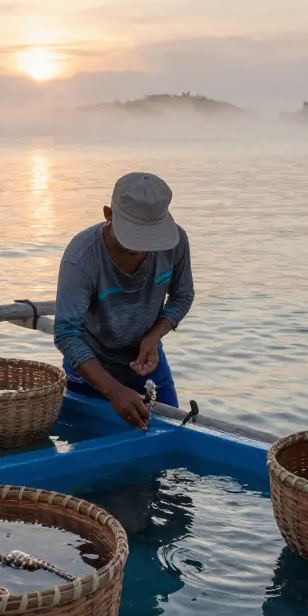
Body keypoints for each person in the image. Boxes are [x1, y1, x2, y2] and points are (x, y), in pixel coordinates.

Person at [53, 172, 194, 430]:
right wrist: (114, 391)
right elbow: (66, 334)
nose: (143, 247)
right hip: (90, 372)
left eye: (151, 237)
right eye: (135, 236)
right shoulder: (82, 256)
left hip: (150, 365)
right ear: (108, 214)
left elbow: (182, 296)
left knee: (166, 441)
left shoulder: (175, 242)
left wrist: (152, 338)